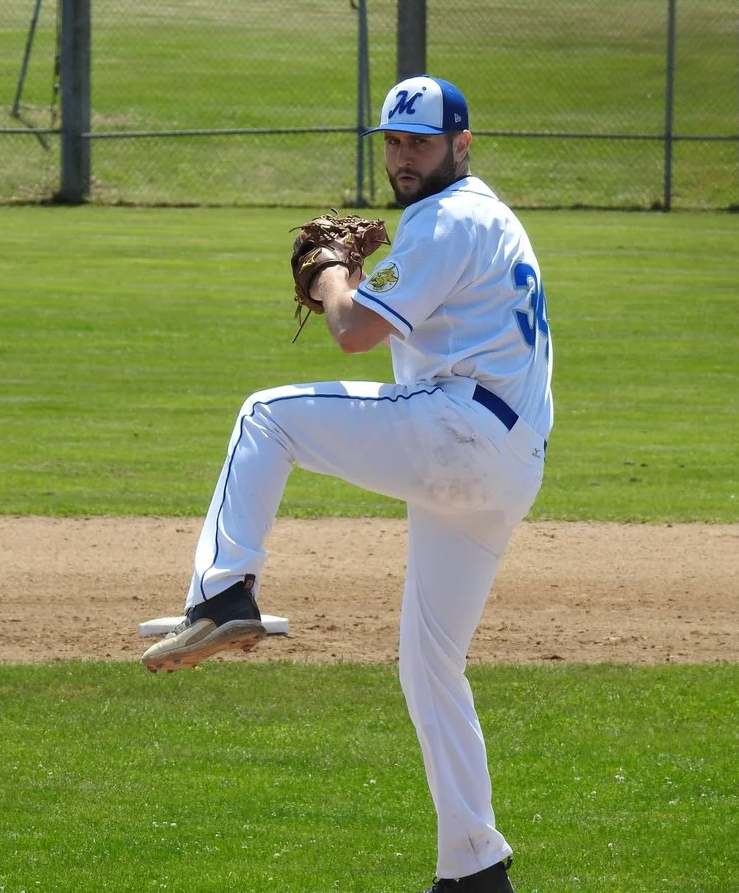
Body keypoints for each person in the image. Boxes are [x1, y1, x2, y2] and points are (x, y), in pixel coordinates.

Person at [142, 75, 553, 893]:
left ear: (462, 144)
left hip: (460, 432)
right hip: (505, 462)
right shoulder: (488, 215)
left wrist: (332, 271)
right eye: (394, 142)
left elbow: (353, 331)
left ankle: (223, 596)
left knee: (268, 416)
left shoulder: (447, 218)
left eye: (422, 143)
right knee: (428, 663)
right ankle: (474, 867)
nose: (403, 158)